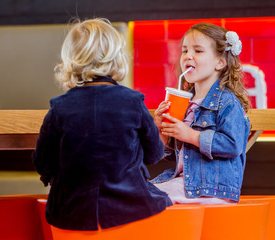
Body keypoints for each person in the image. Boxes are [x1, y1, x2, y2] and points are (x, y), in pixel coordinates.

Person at [33, 18, 172, 231]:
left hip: (70, 213)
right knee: (166, 199)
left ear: (71, 59)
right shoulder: (134, 101)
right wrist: (160, 130)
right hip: (130, 208)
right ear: (117, 59)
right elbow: (153, 155)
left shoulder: (59, 107)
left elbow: (43, 163)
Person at [152, 23, 251, 204]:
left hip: (211, 189)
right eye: (184, 51)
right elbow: (168, 155)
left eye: (198, 51)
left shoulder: (228, 102)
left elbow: (233, 145)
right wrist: (161, 131)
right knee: (138, 192)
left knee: (147, 198)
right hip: (185, 183)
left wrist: (190, 135)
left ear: (220, 62)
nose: (188, 56)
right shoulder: (186, 102)